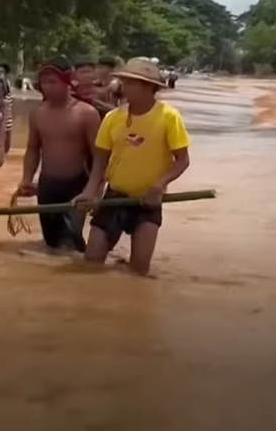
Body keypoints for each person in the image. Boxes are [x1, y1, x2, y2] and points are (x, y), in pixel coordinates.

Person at [74, 57, 190, 276]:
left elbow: (182, 161)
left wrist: (159, 185)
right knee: (91, 263)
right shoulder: (112, 118)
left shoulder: (169, 117)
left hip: (148, 202)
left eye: (130, 82)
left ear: (148, 87)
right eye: (124, 81)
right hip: (114, 196)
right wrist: (89, 191)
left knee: (139, 271)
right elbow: (100, 161)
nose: (123, 87)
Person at [16, 57, 101, 253]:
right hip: (47, 186)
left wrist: (92, 190)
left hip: (76, 186)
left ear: (67, 81)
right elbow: (32, 150)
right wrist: (26, 179)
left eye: (53, 81)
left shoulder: (86, 113)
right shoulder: (38, 114)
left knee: (69, 245)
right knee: (51, 244)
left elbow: (99, 157)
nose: (48, 87)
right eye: (44, 82)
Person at [0, 64, 14, 153]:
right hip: (2, 121)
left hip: (6, 120)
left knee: (5, 147)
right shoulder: (2, 84)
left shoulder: (5, 84)